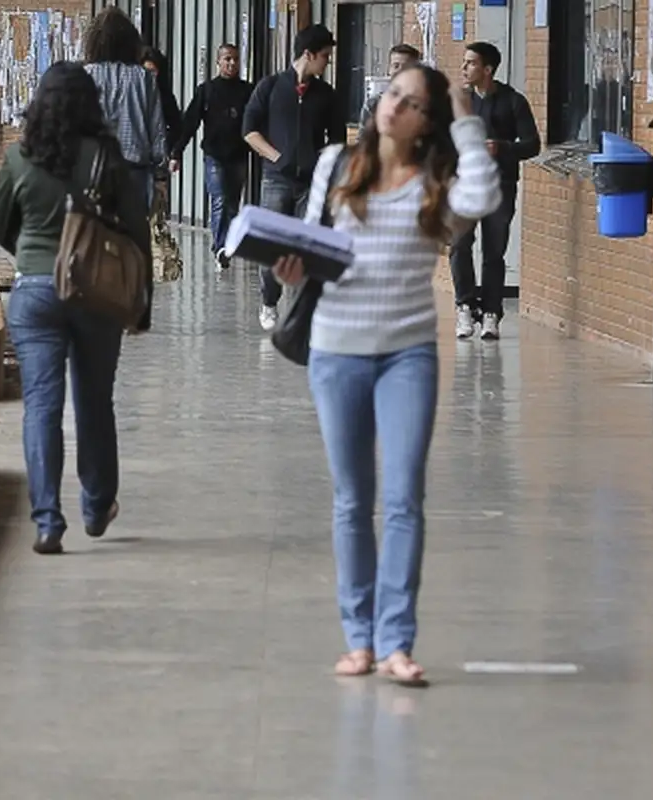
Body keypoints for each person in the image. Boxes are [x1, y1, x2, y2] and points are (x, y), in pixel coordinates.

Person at [272, 65, 499, 686]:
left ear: (429, 123)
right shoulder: (335, 166)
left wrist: (466, 116)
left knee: (402, 498)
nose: (392, 106)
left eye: (411, 102)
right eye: (391, 93)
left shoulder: (437, 182)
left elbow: (484, 200)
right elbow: (312, 246)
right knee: (352, 500)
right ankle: (359, 639)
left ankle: (397, 641)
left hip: (407, 353)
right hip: (336, 348)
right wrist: (295, 273)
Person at [0, 62, 152, 556]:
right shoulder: (107, 157)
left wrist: (30, 258)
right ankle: (97, 506)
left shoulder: (20, 156)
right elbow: (136, 230)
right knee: (95, 400)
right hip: (96, 292)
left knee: (41, 404)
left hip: (34, 293)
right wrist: (142, 299)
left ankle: (47, 521)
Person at [243, 23, 344, 332]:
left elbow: (338, 138)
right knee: (274, 245)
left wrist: (324, 163)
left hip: (312, 184)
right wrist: (277, 157)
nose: (327, 62)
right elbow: (249, 130)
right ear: (308, 54)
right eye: (325, 56)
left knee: (307, 247)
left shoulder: (326, 95)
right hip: (276, 179)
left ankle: (302, 312)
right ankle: (269, 301)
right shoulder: (271, 87)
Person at [450, 41, 540, 340]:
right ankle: (464, 305)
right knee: (459, 245)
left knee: (494, 250)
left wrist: (501, 148)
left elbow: (532, 144)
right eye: (464, 62)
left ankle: (491, 312)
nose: (464, 68)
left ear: (487, 69)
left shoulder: (513, 101)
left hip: (500, 185)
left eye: (470, 63)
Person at [175, 43, 253, 271]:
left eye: (235, 59)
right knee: (219, 199)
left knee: (232, 204)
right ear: (218, 62)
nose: (231, 63)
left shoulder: (247, 91)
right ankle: (221, 248)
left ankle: (225, 244)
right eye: (227, 59)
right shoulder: (206, 90)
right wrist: (176, 151)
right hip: (214, 155)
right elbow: (190, 122)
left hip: (238, 155)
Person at [82, 7, 167, 206]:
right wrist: (160, 176)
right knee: (131, 233)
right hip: (134, 170)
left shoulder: (85, 76)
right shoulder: (143, 78)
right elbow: (157, 130)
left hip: (94, 168)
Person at [140, 46, 185, 282]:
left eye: (154, 72)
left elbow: (177, 125)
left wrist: (172, 154)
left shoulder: (165, 97)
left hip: (156, 166)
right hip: (137, 164)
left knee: (155, 216)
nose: (150, 77)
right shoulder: (134, 97)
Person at [360, 43, 421, 127]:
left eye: (406, 67)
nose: (400, 71)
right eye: (396, 66)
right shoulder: (373, 104)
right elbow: (363, 139)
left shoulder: (425, 105)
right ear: (389, 69)